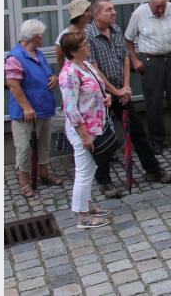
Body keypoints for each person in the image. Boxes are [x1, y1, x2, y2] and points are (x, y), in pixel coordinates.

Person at [86, 0, 171, 198]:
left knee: (137, 131)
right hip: (100, 95)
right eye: (108, 10)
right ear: (96, 15)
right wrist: (114, 92)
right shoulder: (88, 36)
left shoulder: (116, 30)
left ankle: (152, 169)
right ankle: (104, 180)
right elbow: (94, 69)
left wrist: (125, 87)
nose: (113, 12)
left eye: (114, 9)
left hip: (120, 91)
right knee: (104, 138)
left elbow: (125, 58)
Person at [124, 0, 171, 154]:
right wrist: (135, 60)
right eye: (157, 7)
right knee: (154, 103)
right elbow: (128, 39)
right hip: (151, 61)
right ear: (149, 3)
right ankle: (156, 141)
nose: (161, 10)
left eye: (163, 6)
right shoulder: (139, 14)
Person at [58, 31, 113, 228]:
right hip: (83, 131)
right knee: (84, 171)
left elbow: (97, 89)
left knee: (90, 168)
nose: (88, 46)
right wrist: (83, 135)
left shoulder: (86, 65)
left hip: (96, 126)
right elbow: (71, 107)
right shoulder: (69, 73)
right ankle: (82, 216)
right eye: (83, 44)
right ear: (73, 51)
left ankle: (87, 204)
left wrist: (106, 98)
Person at [5, 19, 62, 198]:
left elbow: (46, 73)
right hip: (26, 113)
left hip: (44, 107)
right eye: (41, 35)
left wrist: (53, 77)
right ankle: (24, 180)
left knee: (44, 143)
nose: (43, 38)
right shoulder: (15, 57)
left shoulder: (38, 54)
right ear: (34, 36)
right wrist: (26, 107)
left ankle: (43, 172)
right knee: (24, 148)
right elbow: (13, 85)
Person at [55, 0, 92, 68]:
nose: (90, 13)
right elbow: (60, 59)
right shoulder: (65, 36)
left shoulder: (91, 29)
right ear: (78, 15)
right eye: (86, 11)